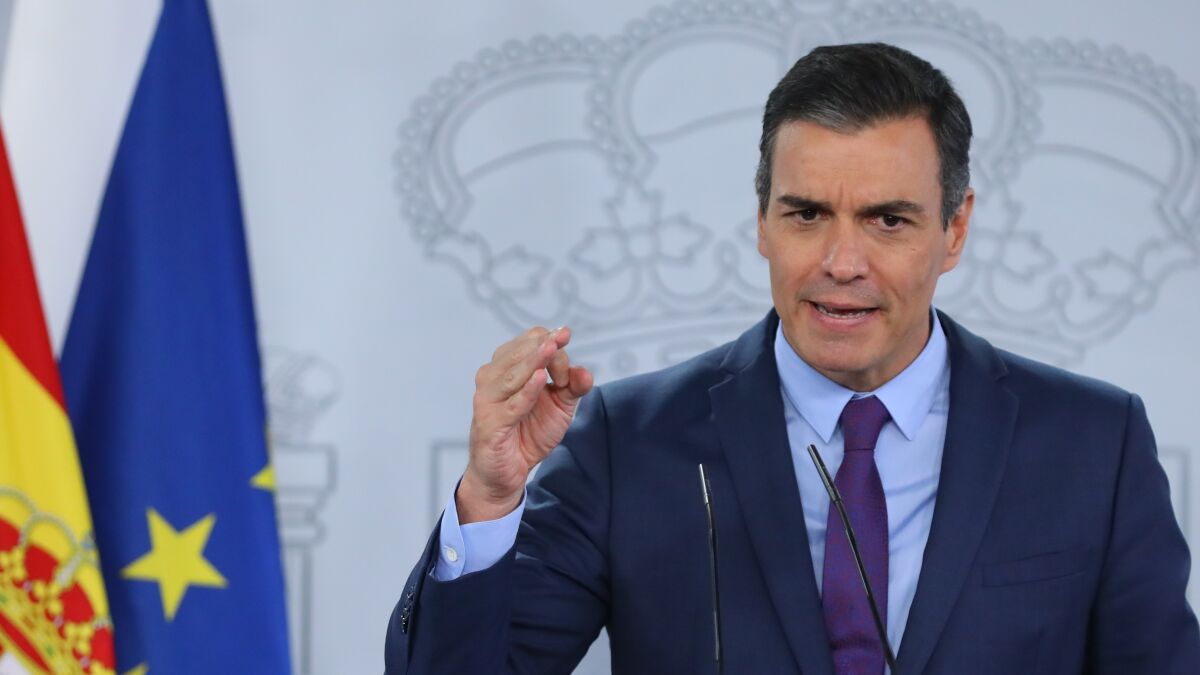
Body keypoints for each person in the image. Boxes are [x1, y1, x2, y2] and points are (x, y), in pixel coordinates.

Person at [384, 42, 1200, 674]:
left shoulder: (1094, 444)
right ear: (762, 221)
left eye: (887, 220)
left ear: (954, 230)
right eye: (807, 214)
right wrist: (490, 497)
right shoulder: (625, 442)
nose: (841, 263)